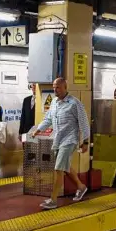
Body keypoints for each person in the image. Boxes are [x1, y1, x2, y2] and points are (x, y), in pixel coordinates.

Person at [33, 78, 90, 210]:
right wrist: (38, 129)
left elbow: (83, 122)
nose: (55, 90)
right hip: (58, 139)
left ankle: (53, 200)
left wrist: (85, 141)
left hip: (70, 140)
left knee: (58, 168)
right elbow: (48, 119)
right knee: (65, 166)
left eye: (57, 87)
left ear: (65, 87)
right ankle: (81, 187)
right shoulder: (54, 102)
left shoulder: (74, 103)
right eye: (54, 87)